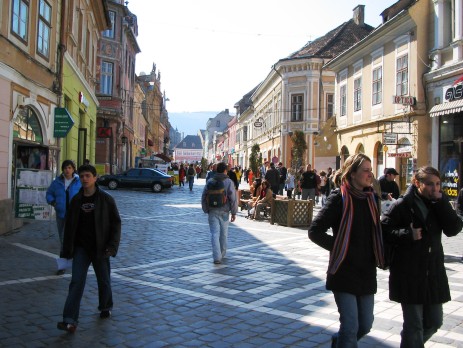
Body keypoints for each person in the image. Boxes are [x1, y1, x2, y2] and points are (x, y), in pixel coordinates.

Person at [308, 154, 385, 347]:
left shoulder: (372, 198)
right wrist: (339, 247)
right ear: (352, 174)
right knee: (350, 326)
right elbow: (315, 231)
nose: (370, 174)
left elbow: (378, 231)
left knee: (365, 325)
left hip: (366, 271)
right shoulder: (338, 198)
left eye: (371, 170)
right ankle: (344, 340)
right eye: (366, 170)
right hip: (343, 270)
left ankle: (339, 341)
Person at [381, 166, 463, 347]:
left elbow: (454, 229)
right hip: (408, 272)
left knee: (435, 321)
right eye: (430, 184)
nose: (435, 188)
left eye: (438, 184)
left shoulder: (438, 202)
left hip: (433, 271)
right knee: (414, 326)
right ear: (417, 183)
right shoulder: (403, 205)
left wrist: (442, 203)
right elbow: (383, 230)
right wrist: (406, 234)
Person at [57, 164, 121, 333]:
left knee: (104, 280)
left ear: (95, 178)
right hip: (81, 249)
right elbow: (70, 227)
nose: (84, 179)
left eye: (88, 176)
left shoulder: (106, 200)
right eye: (82, 176)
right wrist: (66, 250)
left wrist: (112, 247)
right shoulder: (76, 200)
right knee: (76, 282)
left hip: (101, 248)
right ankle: (69, 320)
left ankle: (105, 306)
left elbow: (116, 223)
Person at [46, 160, 82, 275]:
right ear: (62, 169)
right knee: (62, 239)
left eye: (70, 168)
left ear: (73, 169)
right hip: (61, 214)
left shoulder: (78, 182)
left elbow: (85, 194)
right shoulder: (57, 182)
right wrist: (53, 202)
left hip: (75, 215)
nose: (67, 170)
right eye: (65, 168)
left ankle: (75, 260)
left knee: (74, 238)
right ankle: (62, 265)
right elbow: (49, 193)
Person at [201, 162, 237, 264]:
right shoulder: (229, 182)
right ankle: (222, 253)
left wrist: (205, 209)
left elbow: (204, 195)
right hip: (225, 210)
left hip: (212, 210)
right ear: (225, 170)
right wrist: (234, 212)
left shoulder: (210, 181)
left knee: (214, 233)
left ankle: (216, 257)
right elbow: (233, 198)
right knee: (224, 233)